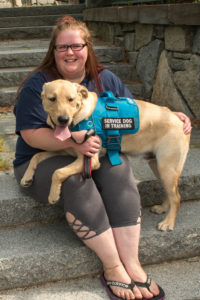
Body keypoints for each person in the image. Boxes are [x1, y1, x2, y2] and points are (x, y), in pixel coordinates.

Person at [13, 16, 192, 300]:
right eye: (62, 47)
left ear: (87, 47)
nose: (70, 52)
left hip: (95, 149)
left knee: (120, 171)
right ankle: (112, 267)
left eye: (76, 45)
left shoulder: (104, 78)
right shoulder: (38, 84)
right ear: (53, 50)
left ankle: (132, 264)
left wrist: (170, 113)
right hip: (40, 155)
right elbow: (31, 136)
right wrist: (75, 140)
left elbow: (133, 109)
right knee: (76, 180)